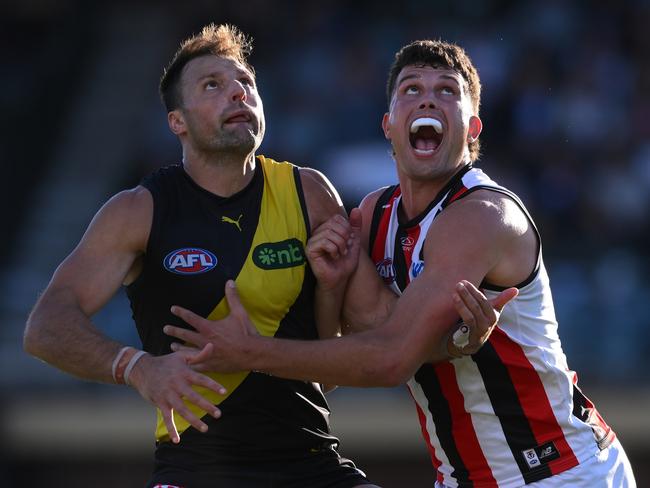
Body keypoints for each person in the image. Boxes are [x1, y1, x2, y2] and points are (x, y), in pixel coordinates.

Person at [22, 25, 509, 488]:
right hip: (199, 469)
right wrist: (137, 367)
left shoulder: (308, 193)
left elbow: (369, 342)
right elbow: (45, 327)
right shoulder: (138, 211)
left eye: (246, 83)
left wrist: (453, 339)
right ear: (178, 122)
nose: (238, 94)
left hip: (313, 463)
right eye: (213, 85)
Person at [165, 40, 637, 487]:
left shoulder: (482, 215)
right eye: (412, 89)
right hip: (461, 476)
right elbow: (335, 369)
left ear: (473, 128)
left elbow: (389, 358)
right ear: (389, 123)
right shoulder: (372, 217)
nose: (428, 101)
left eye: (447, 92)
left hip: (561, 471)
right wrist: (331, 288)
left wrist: (248, 351)